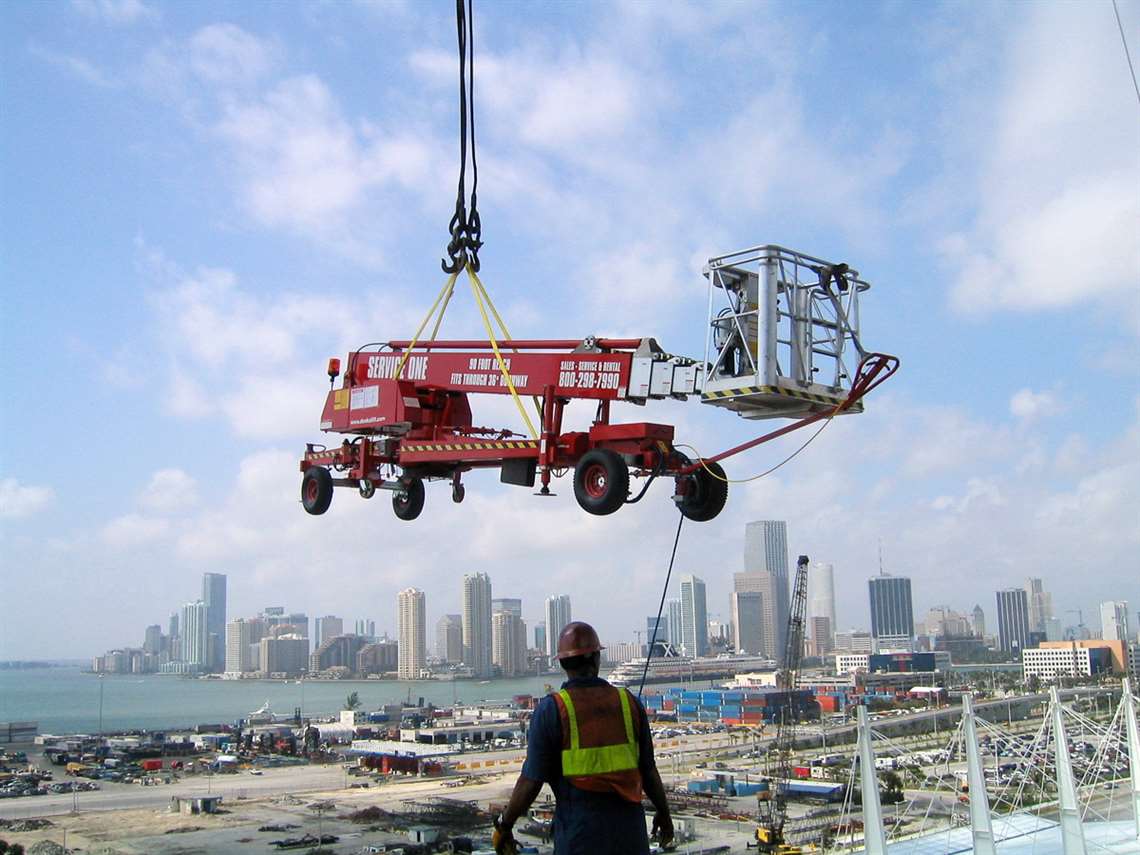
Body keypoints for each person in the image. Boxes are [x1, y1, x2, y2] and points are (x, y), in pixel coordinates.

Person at [492, 621, 674, 854]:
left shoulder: (553, 709)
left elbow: (531, 781)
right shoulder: (629, 703)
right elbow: (649, 770)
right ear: (597, 659)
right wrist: (664, 814)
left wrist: (504, 825)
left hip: (580, 838)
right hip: (631, 838)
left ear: (563, 663)